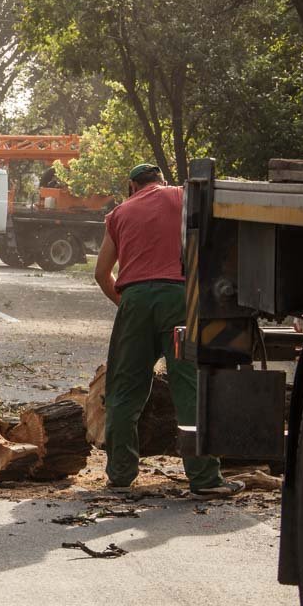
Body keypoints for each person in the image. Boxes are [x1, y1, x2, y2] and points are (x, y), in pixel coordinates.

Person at [93, 163, 243, 498]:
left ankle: (120, 475)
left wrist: (129, 304)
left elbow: (102, 273)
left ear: (132, 186)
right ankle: (204, 479)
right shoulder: (182, 197)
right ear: (162, 181)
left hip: (133, 297)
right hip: (179, 298)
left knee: (123, 389)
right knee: (189, 384)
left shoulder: (119, 213)